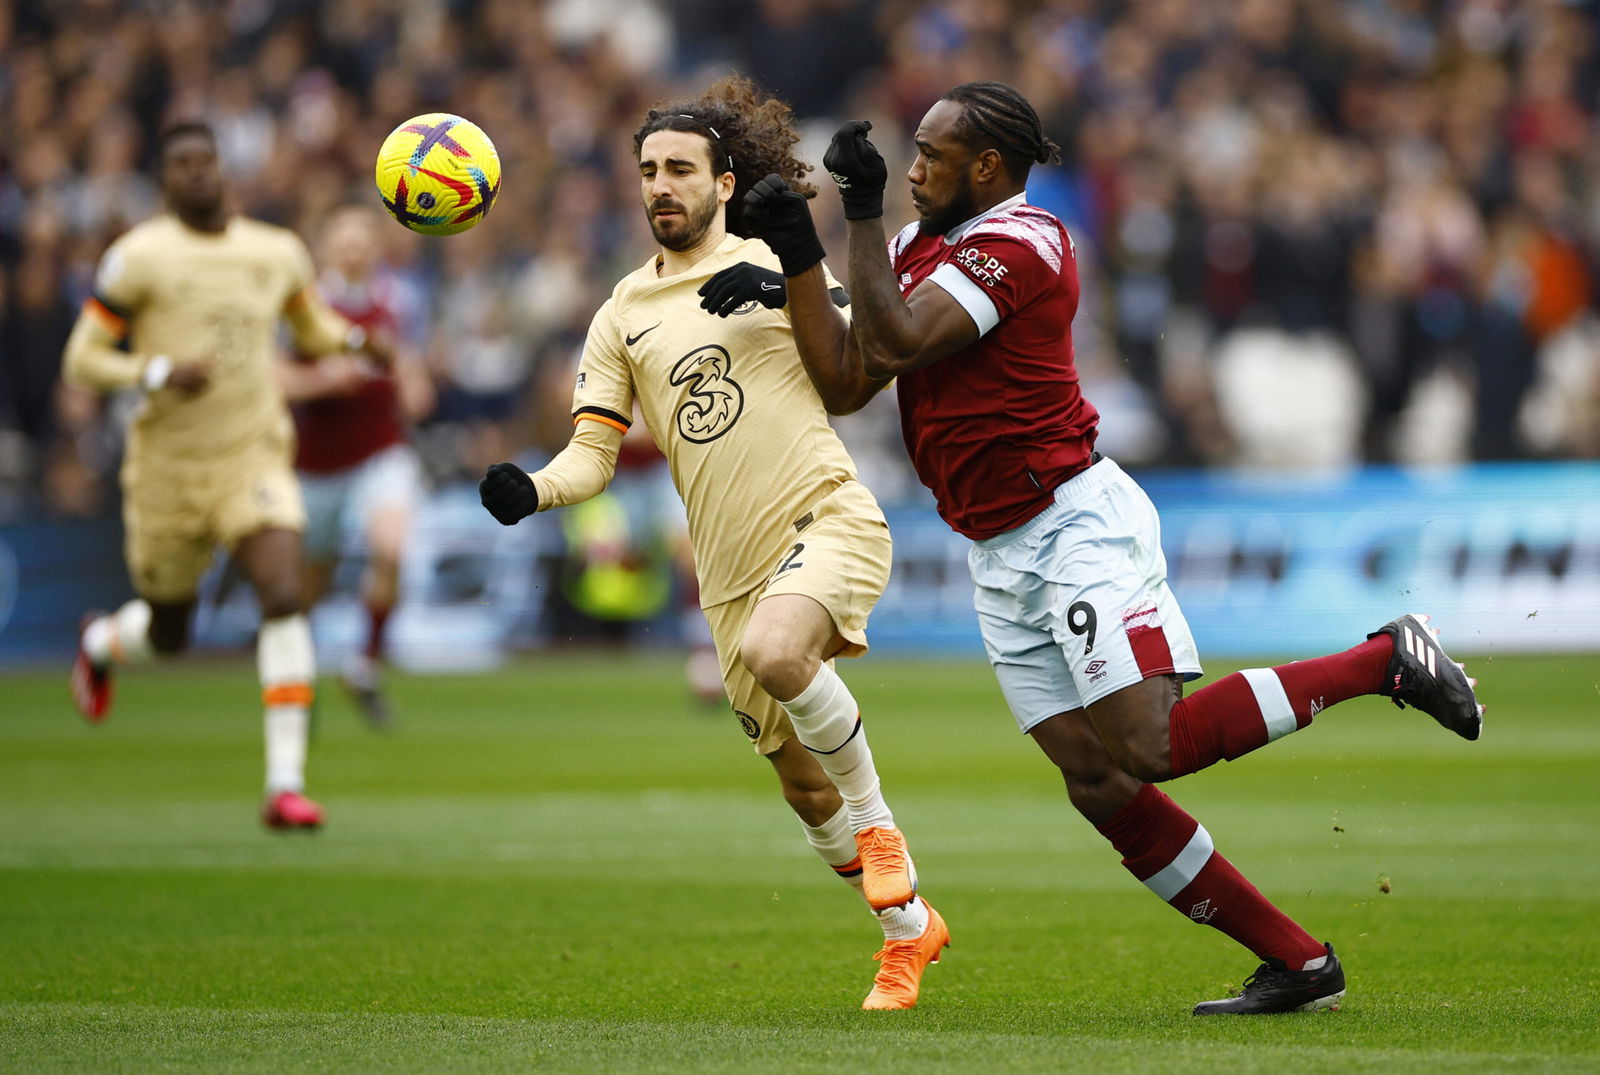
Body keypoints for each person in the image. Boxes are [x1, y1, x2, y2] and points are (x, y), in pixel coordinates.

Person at [736, 81, 1486, 1015]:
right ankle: (1299, 963)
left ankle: (1386, 659)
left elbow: (896, 336)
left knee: (1151, 743)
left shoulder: (1027, 241)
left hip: (1072, 522)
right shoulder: (917, 244)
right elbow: (851, 380)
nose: (914, 167)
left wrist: (851, 210)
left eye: (931, 154)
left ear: (989, 168)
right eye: (913, 154)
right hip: (996, 549)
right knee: (1097, 782)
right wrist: (802, 253)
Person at [476, 76, 950, 1011]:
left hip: (824, 516)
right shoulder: (621, 314)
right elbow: (593, 454)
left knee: (784, 656)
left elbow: (867, 364)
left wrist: (791, 274)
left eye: (681, 169)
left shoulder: (778, 257)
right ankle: (908, 932)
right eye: (649, 170)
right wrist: (532, 488)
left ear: (724, 182)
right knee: (805, 796)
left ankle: (882, 825)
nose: (661, 185)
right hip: (727, 575)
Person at [64, 122, 392, 829]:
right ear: (165, 181)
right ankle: (100, 644)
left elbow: (312, 328)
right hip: (169, 467)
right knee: (170, 632)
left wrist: (361, 340)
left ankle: (285, 783)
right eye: (180, 164)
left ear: (222, 169)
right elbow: (83, 358)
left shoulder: (274, 252)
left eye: (204, 161)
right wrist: (153, 371)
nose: (196, 174)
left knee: (280, 588)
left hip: (253, 454)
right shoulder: (137, 258)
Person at [277, 204, 434, 728]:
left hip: (379, 450)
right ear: (325, 247)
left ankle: (364, 663)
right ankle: (294, 677)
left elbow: (409, 360)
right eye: (342, 240)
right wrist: (325, 380)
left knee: (391, 547)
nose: (353, 249)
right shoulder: (302, 304)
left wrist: (414, 383)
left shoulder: (400, 298)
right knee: (307, 585)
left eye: (361, 239)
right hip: (316, 462)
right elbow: (272, 379)